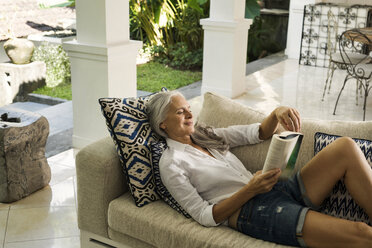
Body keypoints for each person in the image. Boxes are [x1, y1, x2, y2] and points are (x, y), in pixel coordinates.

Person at [146, 91, 372, 247]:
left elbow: (257, 133)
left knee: (345, 147)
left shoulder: (205, 135)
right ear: (162, 124)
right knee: (362, 234)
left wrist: (277, 112)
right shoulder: (171, 163)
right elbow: (205, 216)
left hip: (274, 188)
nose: (189, 114)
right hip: (253, 211)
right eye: (180, 112)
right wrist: (251, 190)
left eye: (188, 108)